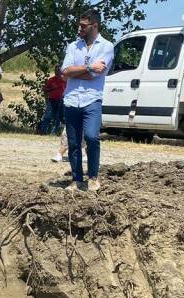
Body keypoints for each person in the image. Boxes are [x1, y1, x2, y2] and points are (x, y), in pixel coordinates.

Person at [61, 8, 114, 192]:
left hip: (92, 100)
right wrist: (89, 67)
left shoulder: (106, 46)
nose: (79, 29)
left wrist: (76, 73)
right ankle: (77, 180)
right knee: (74, 143)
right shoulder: (73, 46)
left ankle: (93, 177)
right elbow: (65, 71)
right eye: (79, 25)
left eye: (83, 26)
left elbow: (96, 75)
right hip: (71, 100)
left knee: (92, 137)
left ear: (94, 25)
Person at [39, 66, 66, 136]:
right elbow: (45, 89)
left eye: (59, 70)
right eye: (56, 70)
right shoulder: (51, 80)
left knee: (58, 117)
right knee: (48, 116)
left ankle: (54, 132)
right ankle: (43, 131)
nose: (57, 72)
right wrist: (51, 90)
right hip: (51, 100)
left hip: (61, 101)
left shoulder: (65, 80)